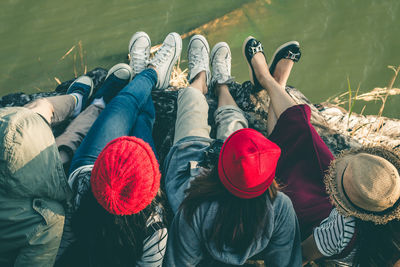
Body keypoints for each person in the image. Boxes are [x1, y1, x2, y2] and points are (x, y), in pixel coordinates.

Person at [243, 36, 400, 266]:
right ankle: (277, 85)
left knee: (300, 143)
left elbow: (303, 254)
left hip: (315, 214)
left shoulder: (340, 232)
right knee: (304, 142)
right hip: (354, 194)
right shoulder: (379, 203)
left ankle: (267, 79)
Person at [163, 34, 302, 266]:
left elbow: (178, 262)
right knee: (233, 121)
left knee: (191, 103)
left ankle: (200, 79)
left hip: (192, 174)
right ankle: (222, 87)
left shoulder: (194, 206)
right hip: (228, 177)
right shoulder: (280, 207)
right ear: (267, 180)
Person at [57, 31, 182, 267]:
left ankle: (144, 72)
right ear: (152, 187)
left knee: (124, 105)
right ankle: (151, 73)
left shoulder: (153, 229)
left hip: (90, 169)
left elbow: (61, 246)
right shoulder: (154, 229)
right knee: (140, 117)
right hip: (98, 174)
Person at [0, 67, 95, 266]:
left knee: (31, 116)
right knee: (65, 143)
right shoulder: (45, 221)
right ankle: (95, 105)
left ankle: (76, 100)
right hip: (28, 169)